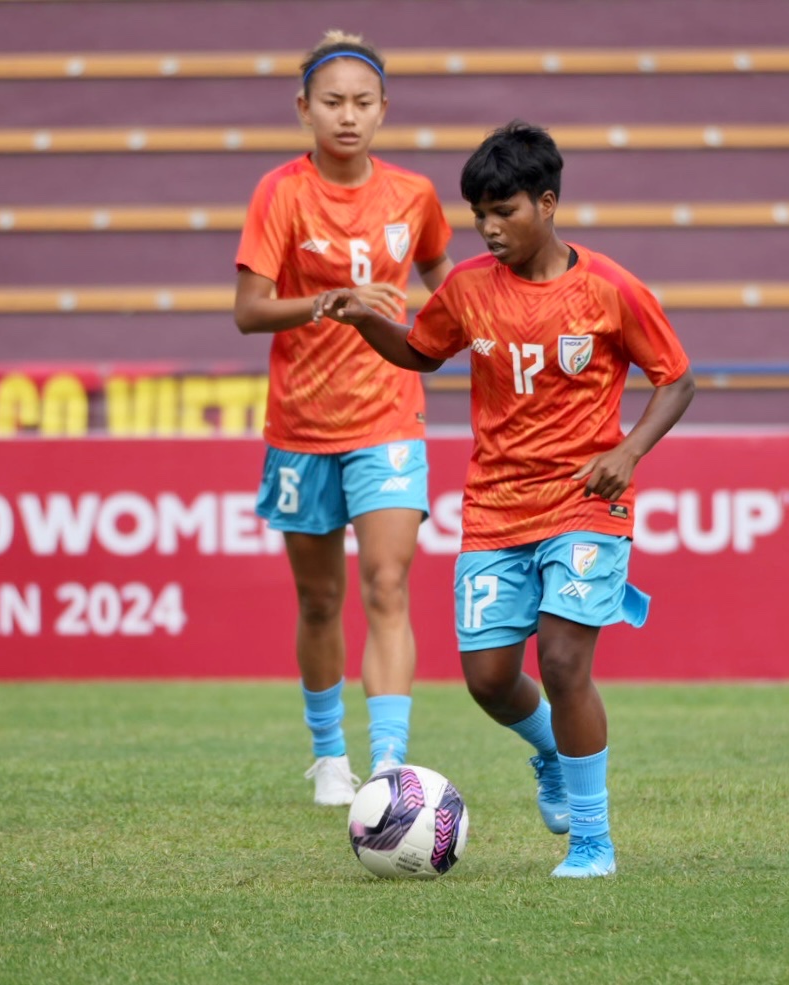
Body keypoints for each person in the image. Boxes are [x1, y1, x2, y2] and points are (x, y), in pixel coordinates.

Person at [314, 121, 695, 877]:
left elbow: (676, 379)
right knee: (487, 677)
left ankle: (592, 840)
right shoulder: (466, 289)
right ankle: (553, 750)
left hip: (585, 500)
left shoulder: (610, 288)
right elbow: (421, 352)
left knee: (561, 659)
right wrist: (368, 324)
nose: (487, 228)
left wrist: (627, 450)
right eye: (478, 213)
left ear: (547, 203)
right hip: (495, 506)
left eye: (504, 210)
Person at [233, 30, 454, 804]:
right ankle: (329, 754)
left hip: (389, 416)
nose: (348, 116)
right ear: (303, 109)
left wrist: (445, 324)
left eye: (363, 102)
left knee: (388, 585)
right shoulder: (280, 194)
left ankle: (389, 764)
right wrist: (332, 303)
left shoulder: (414, 195)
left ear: (384, 109)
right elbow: (247, 311)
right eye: (332, 102)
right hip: (300, 425)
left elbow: (444, 278)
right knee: (320, 599)